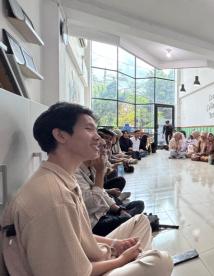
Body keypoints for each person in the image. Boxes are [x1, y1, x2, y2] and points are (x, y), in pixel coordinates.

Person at [1, 102, 172, 276]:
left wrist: (114, 245)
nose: (98, 137)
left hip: (89, 257)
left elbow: (81, 235)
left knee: (140, 221)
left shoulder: (63, 179)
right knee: (161, 260)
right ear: (60, 135)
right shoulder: (53, 198)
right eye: (89, 129)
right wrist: (121, 260)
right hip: (83, 270)